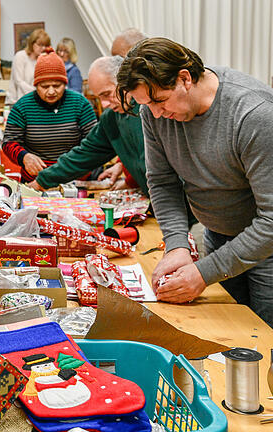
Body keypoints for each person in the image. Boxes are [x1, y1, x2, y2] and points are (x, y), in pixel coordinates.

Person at [116, 37, 273, 326]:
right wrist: (177, 245)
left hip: (268, 248)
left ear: (185, 78)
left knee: (264, 343)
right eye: (146, 104)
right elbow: (163, 182)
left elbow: (271, 221)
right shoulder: (153, 111)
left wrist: (203, 272)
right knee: (226, 333)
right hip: (218, 235)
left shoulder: (254, 115)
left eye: (159, 101)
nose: (156, 114)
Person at [27, 56, 147, 193]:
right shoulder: (112, 117)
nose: (104, 104)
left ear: (125, 82)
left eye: (107, 94)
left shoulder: (151, 109)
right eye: (99, 97)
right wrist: (41, 181)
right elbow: (84, 155)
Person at [2, 48, 98, 183]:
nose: (51, 91)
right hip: (35, 180)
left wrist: (77, 164)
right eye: (45, 86)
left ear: (65, 83)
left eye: (57, 85)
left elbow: (94, 142)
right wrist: (24, 157)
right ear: (36, 85)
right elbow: (9, 142)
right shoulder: (23, 106)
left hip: (75, 179)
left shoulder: (80, 104)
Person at [7, 29, 51, 104]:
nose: (43, 48)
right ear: (32, 43)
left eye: (46, 45)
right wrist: (38, 93)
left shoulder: (43, 59)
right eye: (40, 45)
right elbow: (19, 81)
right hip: (17, 101)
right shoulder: (20, 56)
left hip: (35, 100)